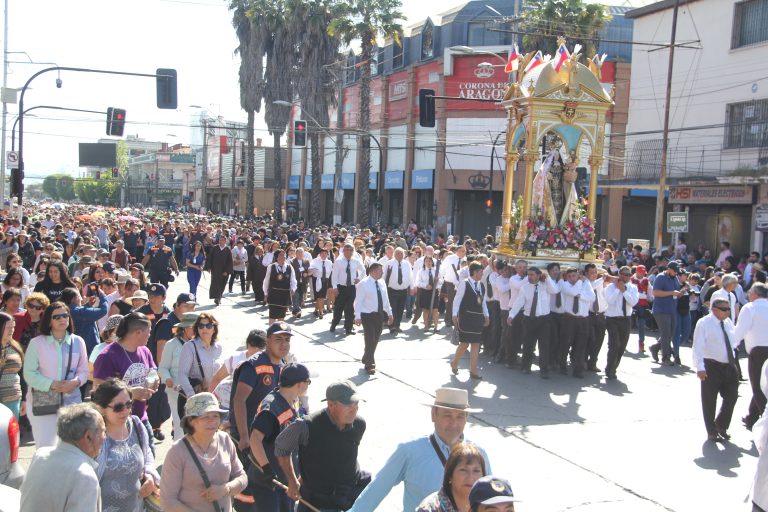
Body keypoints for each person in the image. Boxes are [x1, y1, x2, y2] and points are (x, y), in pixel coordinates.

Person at [349, 387, 489, 512]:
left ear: (466, 419)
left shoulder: (479, 454)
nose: (454, 423)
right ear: (433, 414)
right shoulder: (409, 451)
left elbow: (492, 499)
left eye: (460, 416)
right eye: (447, 415)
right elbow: (375, 491)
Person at [275, 380, 369, 512]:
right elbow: (281, 447)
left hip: (349, 496)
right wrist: (292, 480)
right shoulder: (307, 426)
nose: (355, 409)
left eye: (356, 403)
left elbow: (340, 454)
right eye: (348, 405)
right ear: (331, 404)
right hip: (317, 502)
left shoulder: (359, 424)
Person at [160, 392, 248, 512]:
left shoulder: (225, 440)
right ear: (191, 421)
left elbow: (242, 478)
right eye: (206, 417)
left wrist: (226, 489)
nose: (212, 421)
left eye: (215, 416)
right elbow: (168, 502)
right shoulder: (177, 452)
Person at [23, 302, 89, 447]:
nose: (62, 319)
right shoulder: (36, 343)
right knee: (46, 447)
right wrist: (51, 384)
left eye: (65, 315)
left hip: (72, 401)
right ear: (49, 320)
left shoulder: (78, 341)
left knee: (72, 447)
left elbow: (84, 370)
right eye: (57, 317)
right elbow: (29, 373)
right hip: (43, 401)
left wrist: (75, 382)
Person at [248, 363, 312, 512]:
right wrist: (266, 469)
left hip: (284, 480)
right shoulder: (271, 408)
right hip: (269, 482)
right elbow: (255, 438)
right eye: (308, 382)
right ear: (299, 384)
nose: (308, 386)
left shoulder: (291, 400)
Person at [20, 403, 106, 512]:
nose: (105, 437)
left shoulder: (40, 455)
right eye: (103, 431)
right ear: (88, 437)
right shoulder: (84, 475)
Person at [92, 378, 160, 512]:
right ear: (102, 408)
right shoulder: (94, 435)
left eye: (129, 404)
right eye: (118, 407)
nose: (125, 411)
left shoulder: (136, 425)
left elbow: (147, 457)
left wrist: (150, 477)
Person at [93, 312, 158, 449]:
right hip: (117, 424)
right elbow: (98, 392)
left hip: (141, 419)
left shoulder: (145, 351)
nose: (150, 335)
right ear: (138, 332)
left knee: (148, 463)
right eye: (149, 332)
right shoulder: (107, 356)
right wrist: (130, 394)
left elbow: (153, 372)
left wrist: (154, 381)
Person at [230, 323, 291, 452]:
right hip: (249, 439)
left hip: (269, 435)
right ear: (267, 341)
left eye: (287, 340)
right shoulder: (253, 365)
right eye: (278, 339)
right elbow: (239, 400)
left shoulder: (282, 365)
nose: (284, 344)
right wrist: (244, 436)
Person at [692, 298, 740, 442]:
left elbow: (733, 340)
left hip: (729, 365)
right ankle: (711, 431)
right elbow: (698, 347)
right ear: (714, 309)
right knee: (709, 400)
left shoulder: (728, 322)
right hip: (711, 365)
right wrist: (700, 367)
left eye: (728, 309)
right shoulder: (704, 323)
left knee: (732, 396)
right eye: (724, 309)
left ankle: (721, 425)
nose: (728, 311)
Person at [508, 266, 559, 378]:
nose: (529, 277)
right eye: (528, 275)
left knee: (544, 346)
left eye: (532, 275)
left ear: (538, 275)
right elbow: (518, 302)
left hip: (544, 320)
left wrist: (548, 278)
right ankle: (526, 366)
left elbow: (555, 290)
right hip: (529, 320)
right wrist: (511, 315)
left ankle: (544, 369)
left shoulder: (545, 285)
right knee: (528, 344)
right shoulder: (525, 288)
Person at [158, 311, 200, 440]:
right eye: (192, 327)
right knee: (180, 424)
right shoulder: (172, 344)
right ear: (183, 328)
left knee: (197, 425)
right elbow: (163, 367)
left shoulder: (201, 344)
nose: (195, 330)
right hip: (177, 391)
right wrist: (168, 379)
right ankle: (180, 454)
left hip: (197, 390)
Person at [733, 282, 768, 431]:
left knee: (758, 387)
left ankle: (764, 420)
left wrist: (731, 346)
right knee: (762, 384)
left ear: (755, 294)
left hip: (758, 351)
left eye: (750, 292)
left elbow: (740, 330)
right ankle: (751, 417)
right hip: (761, 349)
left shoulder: (750, 308)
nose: (748, 295)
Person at [416, 442, 487, 512]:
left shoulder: (490, 506)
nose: (471, 477)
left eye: (476, 471)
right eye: (463, 470)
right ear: (450, 475)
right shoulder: (430, 508)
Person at [451, 261, 490, 380]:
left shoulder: (481, 286)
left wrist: (487, 316)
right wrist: (454, 314)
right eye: (480, 272)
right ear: (474, 272)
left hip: (477, 318)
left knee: (476, 344)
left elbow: (483, 302)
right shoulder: (464, 283)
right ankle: (454, 362)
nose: (482, 274)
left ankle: (473, 370)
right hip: (466, 318)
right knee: (464, 344)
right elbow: (457, 300)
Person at [354, 262, 393, 375]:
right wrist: (357, 316)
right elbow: (358, 301)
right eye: (381, 270)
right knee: (370, 338)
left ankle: (367, 355)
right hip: (367, 315)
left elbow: (385, 300)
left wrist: (390, 313)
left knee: (376, 338)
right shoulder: (363, 284)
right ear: (373, 271)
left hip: (379, 314)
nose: (382, 272)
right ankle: (370, 364)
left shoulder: (382, 282)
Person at [558, 267, 595, 378]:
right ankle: (562, 365)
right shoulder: (565, 285)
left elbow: (592, 297)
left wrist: (581, 295)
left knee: (581, 344)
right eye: (569, 276)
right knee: (566, 342)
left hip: (583, 319)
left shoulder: (586, 284)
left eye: (574, 276)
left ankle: (578, 369)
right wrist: (579, 282)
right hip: (569, 318)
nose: (572, 278)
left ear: (578, 275)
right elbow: (573, 292)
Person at [177, 312, 223, 402]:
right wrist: (191, 395)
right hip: (195, 397)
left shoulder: (218, 348)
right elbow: (182, 374)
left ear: (214, 329)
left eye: (208, 325)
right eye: (201, 326)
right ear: (197, 329)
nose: (204, 328)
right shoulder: (189, 346)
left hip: (213, 398)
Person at [604, 266, 639, 380]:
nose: (628, 277)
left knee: (622, 346)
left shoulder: (632, 287)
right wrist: (618, 289)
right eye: (625, 274)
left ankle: (614, 367)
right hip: (612, 318)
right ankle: (609, 369)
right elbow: (610, 301)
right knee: (614, 345)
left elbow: (633, 302)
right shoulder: (610, 287)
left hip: (626, 319)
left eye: (629, 274)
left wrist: (624, 291)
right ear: (620, 274)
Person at [61, 285, 109, 355]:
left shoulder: (65, 310)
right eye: (78, 296)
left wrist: (88, 305)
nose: (80, 299)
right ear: (73, 299)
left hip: (74, 348)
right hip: (88, 350)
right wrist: (102, 295)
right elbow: (103, 310)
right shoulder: (80, 312)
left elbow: (79, 313)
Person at [651, 262, 683, 366]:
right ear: (669, 269)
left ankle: (655, 347)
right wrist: (671, 293)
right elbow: (655, 292)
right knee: (666, 334)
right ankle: (665, 357)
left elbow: (676, 290)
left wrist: (680, 293)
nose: (676, 273)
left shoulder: (675, 278)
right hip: (661, 310)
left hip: (672, 309)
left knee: (671, 333)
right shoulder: (660, 277)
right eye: (674, 271)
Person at [330, 244, 365, 336]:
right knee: (339, 307)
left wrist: (359, 278)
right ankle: (334, 324)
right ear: (343, 251)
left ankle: (348, 328)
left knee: (350, 308)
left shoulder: (356, 261)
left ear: (352, 251)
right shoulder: (338, 261)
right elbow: (334, 275)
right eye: (346, 250)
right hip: (341, 287)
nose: (348, 251)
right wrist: (334, 287)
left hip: (352, 287)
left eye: (350, 250)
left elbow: (363, 270)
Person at [383, 247, 412, 334]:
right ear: (394, 254)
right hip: (392, 290)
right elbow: (384, 277)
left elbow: (411, 276)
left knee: (400, 309)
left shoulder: (407, 263)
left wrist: (412, 287)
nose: (399, 255)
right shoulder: (389, 263)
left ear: (404, 255)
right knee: (392, 309)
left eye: (401, 254)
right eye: (397, 253)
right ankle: (391, 326)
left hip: (403, 290)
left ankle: (397, 325)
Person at [0, 312, 24, 419]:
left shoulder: (15, 347)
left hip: (14, 398)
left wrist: (24, 400)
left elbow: (22, 374)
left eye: (13, 327)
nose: (11, 330)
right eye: (7, 327)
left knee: (11, 433)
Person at [263, 250, 297, 324]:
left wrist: (293, 288)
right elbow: (266, 281)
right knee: (272, 314)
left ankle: (279, 331)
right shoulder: (271, 267)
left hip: (284, 294)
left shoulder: (289, 267)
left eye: (284, 255)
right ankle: (271, 332)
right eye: (281, 255)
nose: (283, 257)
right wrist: (265, 293)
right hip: (273, 294)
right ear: (277, 257)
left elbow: (293, 280)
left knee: (282, 315)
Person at [415, 256, 442, 331]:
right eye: (426, 261)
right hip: (425, 292)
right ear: (424, 262)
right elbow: (417, 282)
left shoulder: (436, 270)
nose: (428, 263)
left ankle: (436, 327)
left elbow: (441, 281)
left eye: (430, 261)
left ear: (432, 262)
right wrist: (425, 285)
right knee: (426, 310)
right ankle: (426, 326)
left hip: (434, 291)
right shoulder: (421, 271)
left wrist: (437, 280)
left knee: (435, 310)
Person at [206, 235, 234, 306]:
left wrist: (227, 271)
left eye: (222, 240)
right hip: (215, 270)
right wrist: (209, 267)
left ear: (225, 241)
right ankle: (217, 298)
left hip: (224, 271)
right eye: (220, 240)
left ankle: (219, 297)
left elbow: (230, 262)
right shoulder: (215, 248)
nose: (221, 241)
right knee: (215, 284)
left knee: (222, 284)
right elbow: (210, 258)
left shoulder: (227, 250)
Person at [309, 247, 333, 319]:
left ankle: (318, 310)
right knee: (318, 296)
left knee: (322, 296)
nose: (324, 255)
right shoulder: (315, 261)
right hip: (316, 279)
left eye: (325, 253)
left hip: (325, 280)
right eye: (322, 253)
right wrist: (313, 270)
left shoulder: (329, 262)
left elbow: (330, 271)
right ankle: (319, 311)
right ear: (320, 254)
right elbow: (310, 269)